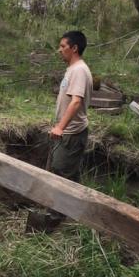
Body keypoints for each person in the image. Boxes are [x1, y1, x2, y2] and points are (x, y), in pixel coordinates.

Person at [49, 29, 93, 182]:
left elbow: (76, 102)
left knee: (63, 176)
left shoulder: (79, 70)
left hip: (72, 134)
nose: (59, 50)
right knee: (66, 173)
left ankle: (63, 206)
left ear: (74, 48)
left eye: (63, 46)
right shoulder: (73, 69)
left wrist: (60, 127)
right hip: (68, 132)